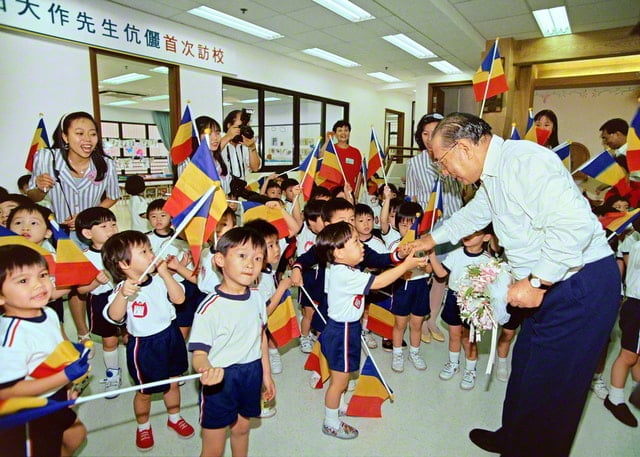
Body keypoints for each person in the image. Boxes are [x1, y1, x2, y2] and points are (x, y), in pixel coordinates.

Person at [411, 112, 620, 457]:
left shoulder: (525, 162)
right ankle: (513, 438)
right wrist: (430, 240)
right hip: (545, 283)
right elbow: (475, 214)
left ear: (463, 147)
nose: (445, 172)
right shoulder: (493, 174)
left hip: (577, 284)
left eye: (443, 162)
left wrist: (537, 281)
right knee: (526, 371)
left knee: (554, 393)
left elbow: (575, 228)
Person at [314, 221, 425, 439]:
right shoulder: (345, 274)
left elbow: (379, 270)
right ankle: (331, 422)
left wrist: (399, 258)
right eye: (355, 242)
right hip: (341, 332)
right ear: (338, 253)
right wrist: (405, 266)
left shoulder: (346, 268)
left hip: (347, 328)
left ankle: (340, 406)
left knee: (343, 377)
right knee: (340, 381)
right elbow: (379, 281)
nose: (361, 245)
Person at [27, 111, 121, 351]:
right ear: (65, 137)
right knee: (74, 288)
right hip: (60, 236)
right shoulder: (47, 158)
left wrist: (87, 217)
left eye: (92, 133)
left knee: (104, 281)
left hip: (94, 232)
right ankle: (82, 332)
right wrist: (39, 186)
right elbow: (32, 197)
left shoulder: (105, 164)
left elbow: (113, 196)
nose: (87, 139)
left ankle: (112, 323)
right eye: (79, 133)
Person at [102, 231, 194, 452]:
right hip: (144, 346)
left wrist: (166, 274)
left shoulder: (160, 279)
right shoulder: (122, 289)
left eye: (150, 249)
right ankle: (143, 425)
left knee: (173, 380)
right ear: (124, 264)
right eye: (144, 251)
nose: (152, 254)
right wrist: (124, 295)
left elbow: (179, 299)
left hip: (170, 336)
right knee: (145, 391)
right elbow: (114, 316)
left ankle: (174, 417)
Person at [188, 227, 274, 457]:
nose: (250, 264)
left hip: (251, 372)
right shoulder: (209, 308)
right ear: (220, 260)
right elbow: (198, 353)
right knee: (213, 445)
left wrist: (266, 374)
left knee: (243, 428)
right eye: (242, 256)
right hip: (220, 379)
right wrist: (205, 369)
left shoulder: (256, 297)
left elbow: (261, 337)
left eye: (257, 258)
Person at [0, 245, 89, 457]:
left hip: (53, 393)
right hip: (27, 411)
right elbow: (6, 393)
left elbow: (52, 353)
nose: (39, 285)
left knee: (75, 435)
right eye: (23, 281)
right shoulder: (12, 338)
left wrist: (66, 383)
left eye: (43, 275)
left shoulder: (47, 312)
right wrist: (64, 376)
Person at [406, 113, 464, 343]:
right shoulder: (414, 163)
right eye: (425, 133)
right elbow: (411, 197)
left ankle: (432, 321)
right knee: (424, 275)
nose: (430, 139)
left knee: (443, 276)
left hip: (453, 223)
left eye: (435, 132)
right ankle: (419, 320)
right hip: (427, 226)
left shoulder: (454, 156)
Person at [428, 227, 494, 389]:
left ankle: (470, 370)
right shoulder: (456, 253)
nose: (468, 234)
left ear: (486, 238)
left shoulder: (488, 260)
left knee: (469, 339)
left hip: (474, 301)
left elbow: (493, 287)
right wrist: (431, 255)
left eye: (475, 233)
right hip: (453, 297)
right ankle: (453, 363)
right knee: (454, 334)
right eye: (468, 230)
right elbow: (441, 274)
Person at [75, 207, 122, 398]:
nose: (111, 229)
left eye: (113, 224)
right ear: (87, 233)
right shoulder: (84, 257)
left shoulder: (122, 249)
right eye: (104, 226)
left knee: (131, 335)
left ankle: (141, 367)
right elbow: (80, 290)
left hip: (125, 296)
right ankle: (113, 374)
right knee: (109, 340)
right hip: (100, 300)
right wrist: (96, 282)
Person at [386, 201, 433, 372]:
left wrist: (423, 266)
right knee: (400, 324)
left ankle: (415, 352)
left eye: (412, 224)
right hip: (402, 288)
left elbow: (429, 268)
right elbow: (389, 268)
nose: (408, 229)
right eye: (403, 224)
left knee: (417, 324)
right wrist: (401, 269)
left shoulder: (423, 245)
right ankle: (397, 353)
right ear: (397, 225)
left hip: (420, 286)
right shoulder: (394, 246)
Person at [221, 110, 261, 182]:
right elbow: (209, 156)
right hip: (222, 190)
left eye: (245, 127)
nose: (242, 130)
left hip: (242, 188)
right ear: (229, 125)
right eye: (240, 127)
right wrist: (228, 137)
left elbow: (255, 168)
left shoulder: (245, 145)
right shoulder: (219, 142)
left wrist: (252, 147)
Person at [322, 120, 362, 192]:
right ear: (335, 134)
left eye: (346, 130)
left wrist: (356, 194)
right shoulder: (331, 150)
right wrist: (327, 141)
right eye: (340, 130)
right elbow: (320, 157)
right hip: (331, 191)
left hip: (349, 191)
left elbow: (359, 175)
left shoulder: (356, 152)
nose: (343, 133)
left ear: (349, 133)